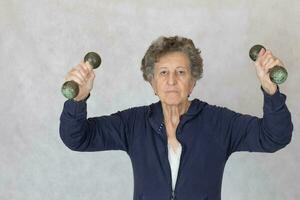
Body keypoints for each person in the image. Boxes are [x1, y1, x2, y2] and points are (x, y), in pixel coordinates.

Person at [59, 36, 293, 200]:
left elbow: (274, 137)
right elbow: (77, 138)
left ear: (193, 81)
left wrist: (271, 91)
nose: (171, 81)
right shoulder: (133, 123)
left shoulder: (219, 123)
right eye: (163, 73)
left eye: (181, 72)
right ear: (152, 82)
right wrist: (78, 100)